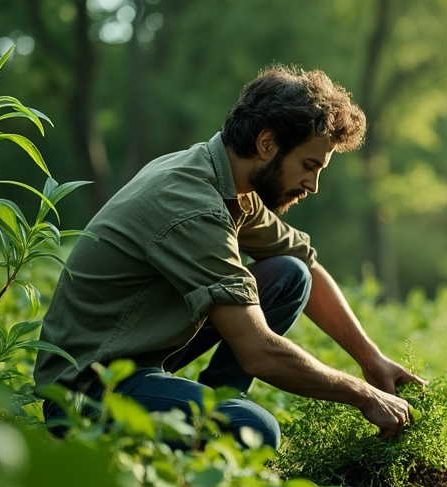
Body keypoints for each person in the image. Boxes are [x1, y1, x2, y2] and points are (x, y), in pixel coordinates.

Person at [34, 65, 420, 448]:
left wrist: (372, 359)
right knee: (252, 432)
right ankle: (211, 424)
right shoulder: (192, 205)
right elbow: (260, 354)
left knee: (291, 273)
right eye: (309, 165)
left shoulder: (229, 183)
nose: (313, 185)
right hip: (85, 394)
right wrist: (364, 394)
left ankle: (211, 405)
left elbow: (307, 263)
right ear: (267, 144)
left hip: (137, 357)